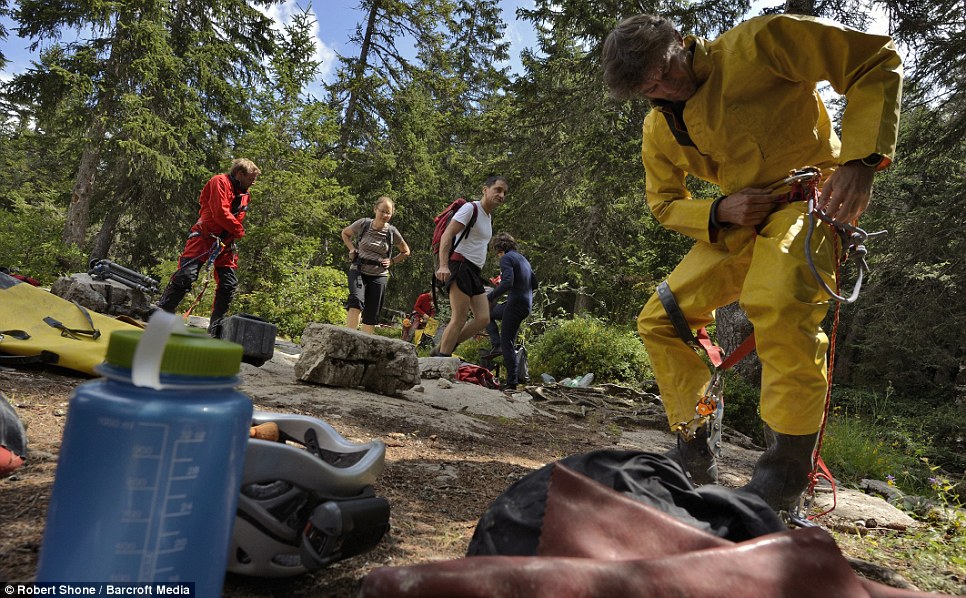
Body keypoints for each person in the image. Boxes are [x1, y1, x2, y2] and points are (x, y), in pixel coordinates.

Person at [602, 14, 902, 516]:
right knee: (660, 319)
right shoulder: (658, 126)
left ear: (680, 39)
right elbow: (664, 202)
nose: (667, 89)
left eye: (668, 72)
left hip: (808, 203)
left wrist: (859, 162)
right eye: (651, 88)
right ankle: (694, 453)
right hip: (738, 224)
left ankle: (779, 488)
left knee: (780, 306)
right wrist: (719, 211)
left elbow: (873, 58)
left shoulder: (761, 43)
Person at [157, 158, 261, 337]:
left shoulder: (245, 194)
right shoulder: (219, 182)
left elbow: (237, 216)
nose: (254, 182)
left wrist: (233, 235)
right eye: (251, 178)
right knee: (186, 277)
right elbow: (219, 212)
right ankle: (162, 315)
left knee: (228, 284)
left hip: (225, 243)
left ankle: (215, 328)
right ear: (239, 174)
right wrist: (238, 230)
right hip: (204, 237)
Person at [433, 176, 509, 357]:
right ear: (485, 189)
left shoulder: (488, 217)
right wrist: (443, 265)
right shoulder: (470, 208)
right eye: (497, 190)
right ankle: (442, 360)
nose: (501, 195)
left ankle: (445, 346)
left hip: (474, 271)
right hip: (459, 265)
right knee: (458, 318)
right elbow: (447, 235)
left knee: (483, 318)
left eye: (504, 192)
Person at [341, 196, 411, 334]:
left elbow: (406, 251)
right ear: (375, 209)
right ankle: (349, 336)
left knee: (372, 312)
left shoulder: (392, 232)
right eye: (382, 211)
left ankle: (364, 343)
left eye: (388, 213)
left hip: (379, 274)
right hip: (359, 268)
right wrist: (351, 249)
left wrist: (392, 261)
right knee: (356, 300)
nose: (385, 215)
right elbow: (345, 233)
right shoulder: (363, 224)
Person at [485, 233, 538, 390]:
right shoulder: (523, 260)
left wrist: (491, 296)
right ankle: (496, 344)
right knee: (487, 315)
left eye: (497, 251)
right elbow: (534, 284)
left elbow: (508, 282)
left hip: (515, 305)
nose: (497, 255)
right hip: (524, 304)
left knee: (507, 342)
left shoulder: (506, 259)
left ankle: (511, 383)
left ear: (500, 248)